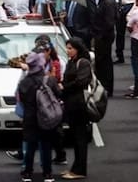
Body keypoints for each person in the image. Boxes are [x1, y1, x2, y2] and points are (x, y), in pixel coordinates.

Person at [18, 51, 60, 182]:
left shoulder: (24, 83)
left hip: (30, 118)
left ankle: (27, 173)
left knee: (30, 146)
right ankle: (47, 173)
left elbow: (21, 100)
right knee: (46, 145)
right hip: (46, 117)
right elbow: (58, 94)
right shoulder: (49, 80)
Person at [58, 37, 92, 180]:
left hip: (79, 105)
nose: (68, 50)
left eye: (70, 48)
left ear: (77, 49)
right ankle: (75, 168)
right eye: (67, 48)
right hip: (71, 104)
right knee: (76, 138)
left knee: (80, 139)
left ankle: (80, 170)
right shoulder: (71, 62)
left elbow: (81, 81)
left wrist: (64, 86)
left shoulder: (83, 63)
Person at [92, 0, 117, 96]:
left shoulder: (108, 2)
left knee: (104, 62)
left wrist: (100, 36)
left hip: (104, 37)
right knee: (101, 62)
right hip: (102, 36)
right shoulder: (104, 1)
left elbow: (109, 22)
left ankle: (106, 87)